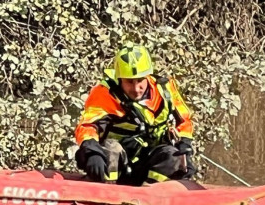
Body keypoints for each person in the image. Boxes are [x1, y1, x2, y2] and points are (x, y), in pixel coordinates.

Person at [74, 44, 195, 185]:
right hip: (119, 159)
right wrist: (92, 152)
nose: (136, 88)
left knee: (173, 157)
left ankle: (150, 199)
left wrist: (185, 148)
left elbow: (185, 120)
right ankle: (107, 196)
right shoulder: (106, 93)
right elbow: (87, 125)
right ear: (120, 80)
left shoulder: (165, 90)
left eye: (140, 80)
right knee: (111, 149)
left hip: (151, 158)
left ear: (148, 76)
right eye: (129, 82)